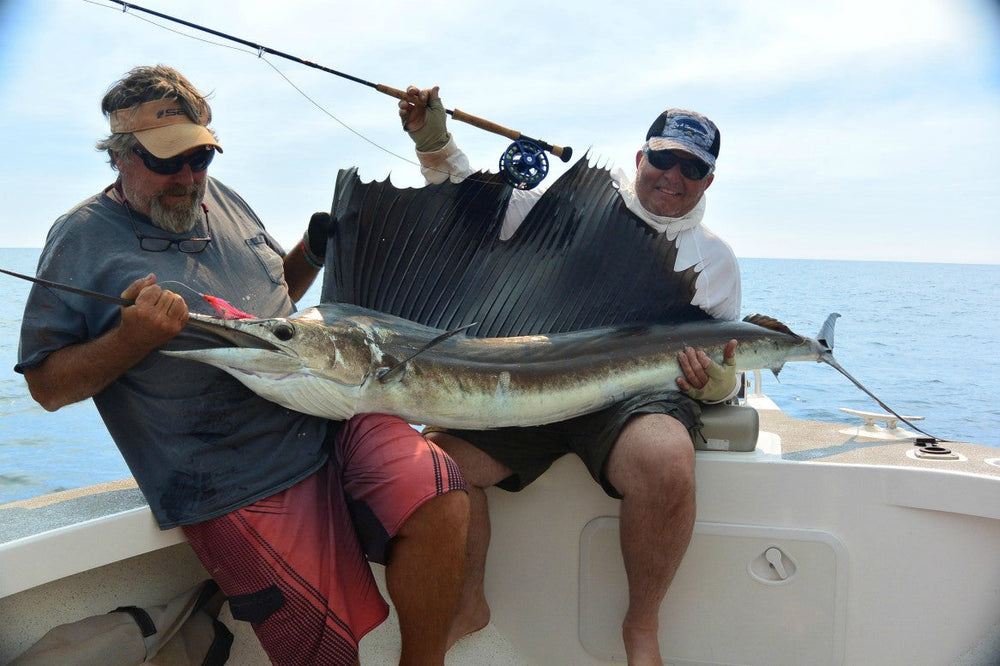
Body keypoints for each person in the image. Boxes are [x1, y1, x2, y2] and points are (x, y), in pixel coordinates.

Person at [15, 66, 469, 666]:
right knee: (325, 652)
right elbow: (47, 387)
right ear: (120, 157)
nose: (187, 178)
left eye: (200, 158)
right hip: (229, 477)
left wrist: (308, 254)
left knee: (441, 496)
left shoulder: (220, 197)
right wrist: (130, 340)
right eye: (166, 162)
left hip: (326, 413)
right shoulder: (80, 238)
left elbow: (272, 300)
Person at [399, 86, 741, 665]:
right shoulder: (576, 206)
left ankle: (642, 626)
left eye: (692, 167)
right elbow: (476, 206)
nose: (673, 175)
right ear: (640, 160)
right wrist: (434, 142)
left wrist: (718, 385)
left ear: (708, 181)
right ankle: (467, 603)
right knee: (437, 467)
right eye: (663, 158)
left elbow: (728, 359)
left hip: (635, 401)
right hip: (537, 387)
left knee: (665, 457)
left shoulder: (715, 259)